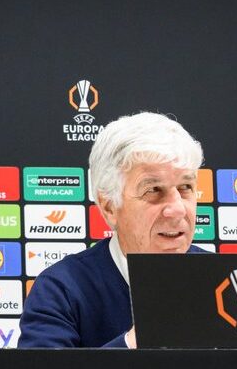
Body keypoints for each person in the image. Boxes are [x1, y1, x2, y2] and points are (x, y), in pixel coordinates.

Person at [19, 112, 204, 348]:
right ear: (109, 207)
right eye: (153, 190)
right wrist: (136, 340)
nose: (177, 209)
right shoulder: (61, 289)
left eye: (186, 187)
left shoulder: (223, 279)